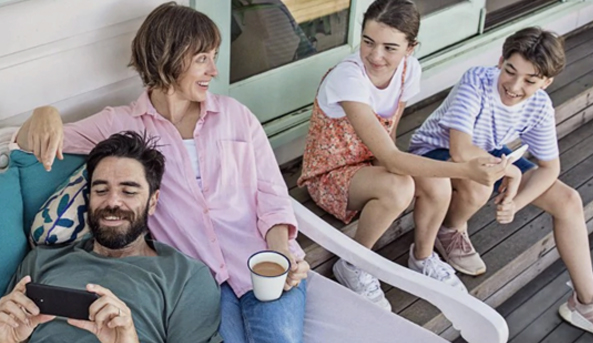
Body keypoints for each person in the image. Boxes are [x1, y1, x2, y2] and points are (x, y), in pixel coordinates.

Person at [15, 3, 308, 342]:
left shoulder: (236, 116)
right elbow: (32, 142)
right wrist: (43, 112)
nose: (214, 70)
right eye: (202, 58)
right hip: (203, 283)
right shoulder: (120, 123)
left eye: (213, 56)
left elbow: (271, 195)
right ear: (168, 57)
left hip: (264, 266)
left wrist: (281, 253)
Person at [297, 0, 509, 309]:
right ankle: (354, 263)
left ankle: (422, 257)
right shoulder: (348, 77)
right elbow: (392, 157)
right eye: (368, 42)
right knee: (401, 186)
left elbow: (390, 136)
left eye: (389, 47)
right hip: (330, 173)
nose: (375, 55)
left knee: (434, 182)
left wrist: (412, 172)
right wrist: (466, 170)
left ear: (410, 48)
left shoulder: (410, 70)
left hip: (373, 163)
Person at [409, 27, 593, 333]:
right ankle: (450, 229)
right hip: (435, 152)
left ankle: (586, 304)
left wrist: (516, 202)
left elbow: (550, 167)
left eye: (530, 80)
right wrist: (513, 172)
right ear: (501, 61)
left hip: (490, 154)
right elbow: (460, 149)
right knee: (481, 179)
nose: (514, 85)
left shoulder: (539, 106)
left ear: (546, 82)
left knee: (569, 201)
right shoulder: (476, 80)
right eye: (510, 71)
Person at [0, 131, 222, 343]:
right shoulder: (42, 260)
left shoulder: (186, 278)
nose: (112, 202)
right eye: (101, 190)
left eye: (129, 191)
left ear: (152, 202)